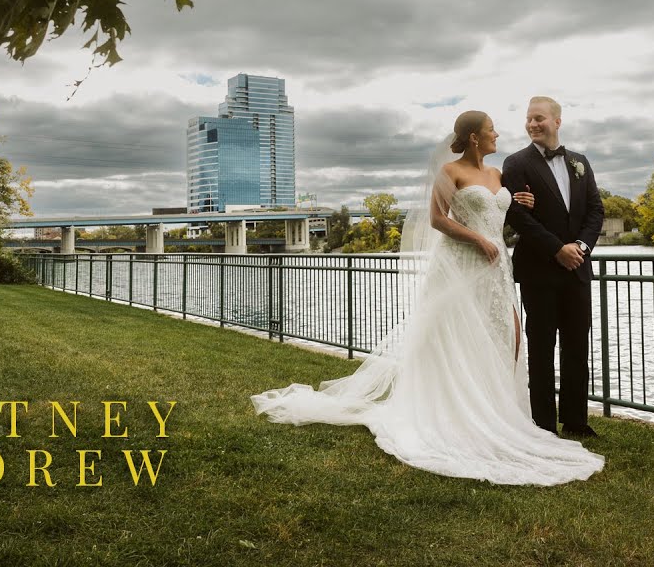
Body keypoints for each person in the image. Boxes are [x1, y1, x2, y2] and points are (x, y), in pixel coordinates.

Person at [251, 110, 604, 486]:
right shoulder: (449, 173)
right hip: (464, 264)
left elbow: (505, 210)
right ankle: (460, 414)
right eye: (490, 130)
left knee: (508, 340)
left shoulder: (498, 174)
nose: (497, 134)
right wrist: (478, 238)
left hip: (497, 269)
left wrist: (518, 202)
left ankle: (502, 412)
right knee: (458, 340)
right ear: (473, 137)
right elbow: (437, 219)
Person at [501, 96, 605, 437]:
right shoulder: (516, 163)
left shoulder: (580, 162)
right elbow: (517, 215)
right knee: (542, 349)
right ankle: (543, 424)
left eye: (539, 118)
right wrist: (556, 249)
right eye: (529, 119)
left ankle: (576, 421)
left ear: (557, 122)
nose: (533, 124)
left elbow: (595, 211)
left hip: (577, 269)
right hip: (539, 271)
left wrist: (580, 248)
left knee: (577, 346)